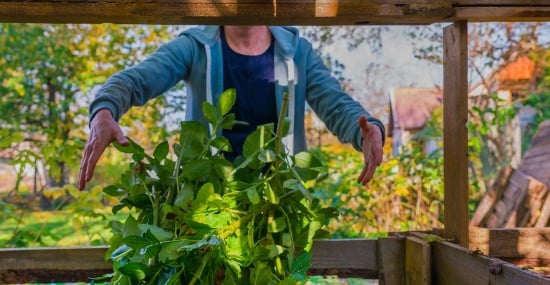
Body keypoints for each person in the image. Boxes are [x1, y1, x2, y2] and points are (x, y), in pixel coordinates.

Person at [78, 25, 385, 190]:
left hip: (276, 205)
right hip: (206, 204)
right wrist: (104, 111)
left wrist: (368, 131)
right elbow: (137, 79)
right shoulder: (195, 47)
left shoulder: (298, 53)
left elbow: (334, 103)